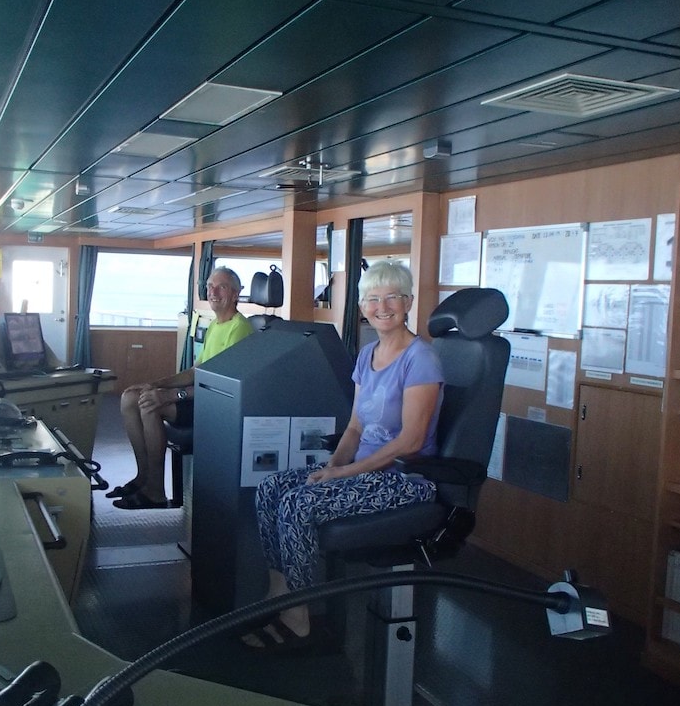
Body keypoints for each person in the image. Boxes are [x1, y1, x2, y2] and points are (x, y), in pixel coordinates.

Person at [242, 259, 443, 650]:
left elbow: (411, 441)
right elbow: (354, 427)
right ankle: (279, 595)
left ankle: (298, 617)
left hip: (406, 479)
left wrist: (342, 476)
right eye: (372, 298)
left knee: (298, 504)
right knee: (270, 488)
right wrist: (332, 467)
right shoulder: (367, 355)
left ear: (409, 302)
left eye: (392, 297)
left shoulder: (422, 358)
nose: (381, 306)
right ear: (362, 305)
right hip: (360, 469)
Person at [110, 267, 255, 509]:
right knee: (130, 397)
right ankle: (143, 477)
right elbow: (196, 371)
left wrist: (170, 395)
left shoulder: (239, 328)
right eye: (210, 286)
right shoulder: (215, 326)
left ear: (235, 294)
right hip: (202, 394)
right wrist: (156, 384)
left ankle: (155, 491)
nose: (213, 292)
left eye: (221, 287)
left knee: (150, 406)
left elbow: (221, 384)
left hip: (218, 404)